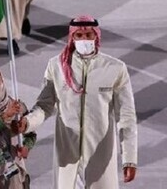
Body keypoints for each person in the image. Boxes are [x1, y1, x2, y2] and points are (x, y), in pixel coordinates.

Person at [15, 16, 138, 188]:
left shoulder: (115, 68)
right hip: (67, 156)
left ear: (96, 36)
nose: (84, 39)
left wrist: (129, 159)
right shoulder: (56, 66)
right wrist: (28, 123)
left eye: (88, 34)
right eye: (79, 35)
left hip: (100, 156)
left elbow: (126, 116)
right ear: (72, 37)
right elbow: (44, 106)